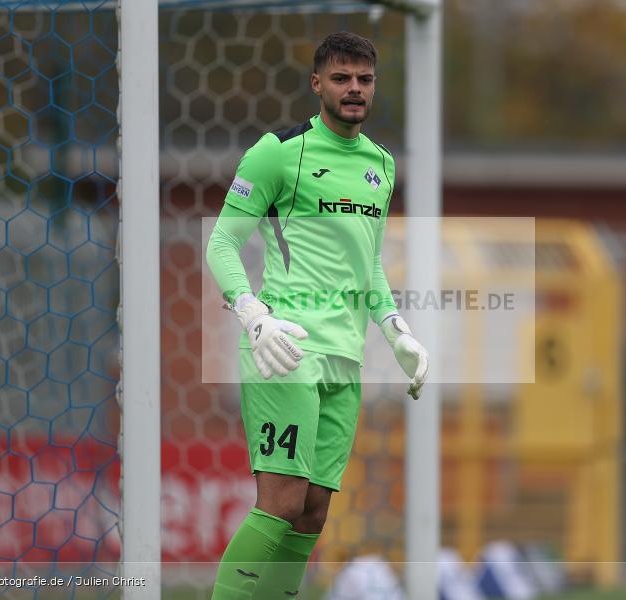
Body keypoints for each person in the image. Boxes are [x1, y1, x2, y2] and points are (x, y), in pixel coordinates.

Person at [206, 31, 430, 599]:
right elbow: (221, 245)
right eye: (341, 78)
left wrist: (397, 330)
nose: (354, 89)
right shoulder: (280, 152)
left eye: (364, 79)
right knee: (280, 502)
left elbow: (369, 265)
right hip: (284, 346)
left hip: (343, 357)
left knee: (311, 512)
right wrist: (254, 316)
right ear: (317, 84)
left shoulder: (380, 164)